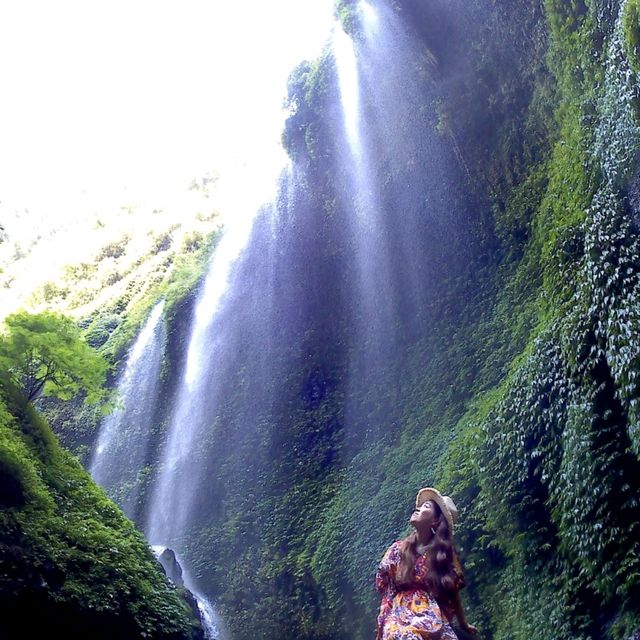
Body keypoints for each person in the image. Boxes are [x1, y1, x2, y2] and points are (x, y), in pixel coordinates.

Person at [375, 487, 477, 640]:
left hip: (431, 616)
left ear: (435, 520)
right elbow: (385, 587)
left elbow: (452, 591)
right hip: (400, 615)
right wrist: (384, 622)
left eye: (426, 506)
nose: (417, 508)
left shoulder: (442, 556)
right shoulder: (397, 550)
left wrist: (463, 623)